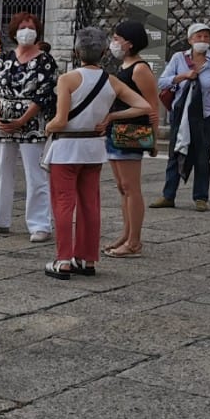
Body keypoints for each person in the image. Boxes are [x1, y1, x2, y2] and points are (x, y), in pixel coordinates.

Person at [44, 28, 152, 279]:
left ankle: (62, 259)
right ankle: (86, 258)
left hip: (67, 148)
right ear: (104, 52)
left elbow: (60, 121)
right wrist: (112, 115)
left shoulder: (67, 79)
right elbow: (143, 105)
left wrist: (47, 127)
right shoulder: (111, 80)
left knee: (63, 204)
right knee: (89, 204)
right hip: (93, 149)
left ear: (76, 52)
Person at [0, 11, 55, 242]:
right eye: (22, 26)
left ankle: (40, 224)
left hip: (31, 124)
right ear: (14, 31)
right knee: (3, 172)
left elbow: (44, 95)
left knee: (35, 174)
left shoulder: (45, 61)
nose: (26, 30)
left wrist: (23, 120)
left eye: (30, 26)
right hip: (4, 122)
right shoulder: (3, 58)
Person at [155, 21, 210, 212]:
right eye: (199, 37)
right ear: (190, 40)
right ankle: (168, 195)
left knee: (202, 155)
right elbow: (162, 81)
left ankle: (201, 197)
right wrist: (182, 77)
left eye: (206, 37)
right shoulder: (179, 59)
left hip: (206, 114)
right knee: (175, 152)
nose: (202, 40)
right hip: (181, 113)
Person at [102, 20, 161, 258]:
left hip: (131, 132)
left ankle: (134, 240)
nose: (114, 42)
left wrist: (154, 139)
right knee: (122, 187)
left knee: (131, 187)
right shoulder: (123, 66)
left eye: (117, 38)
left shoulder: (140, 69)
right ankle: (126, 234)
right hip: (115, 131)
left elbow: (151, 106)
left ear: (129, 42)